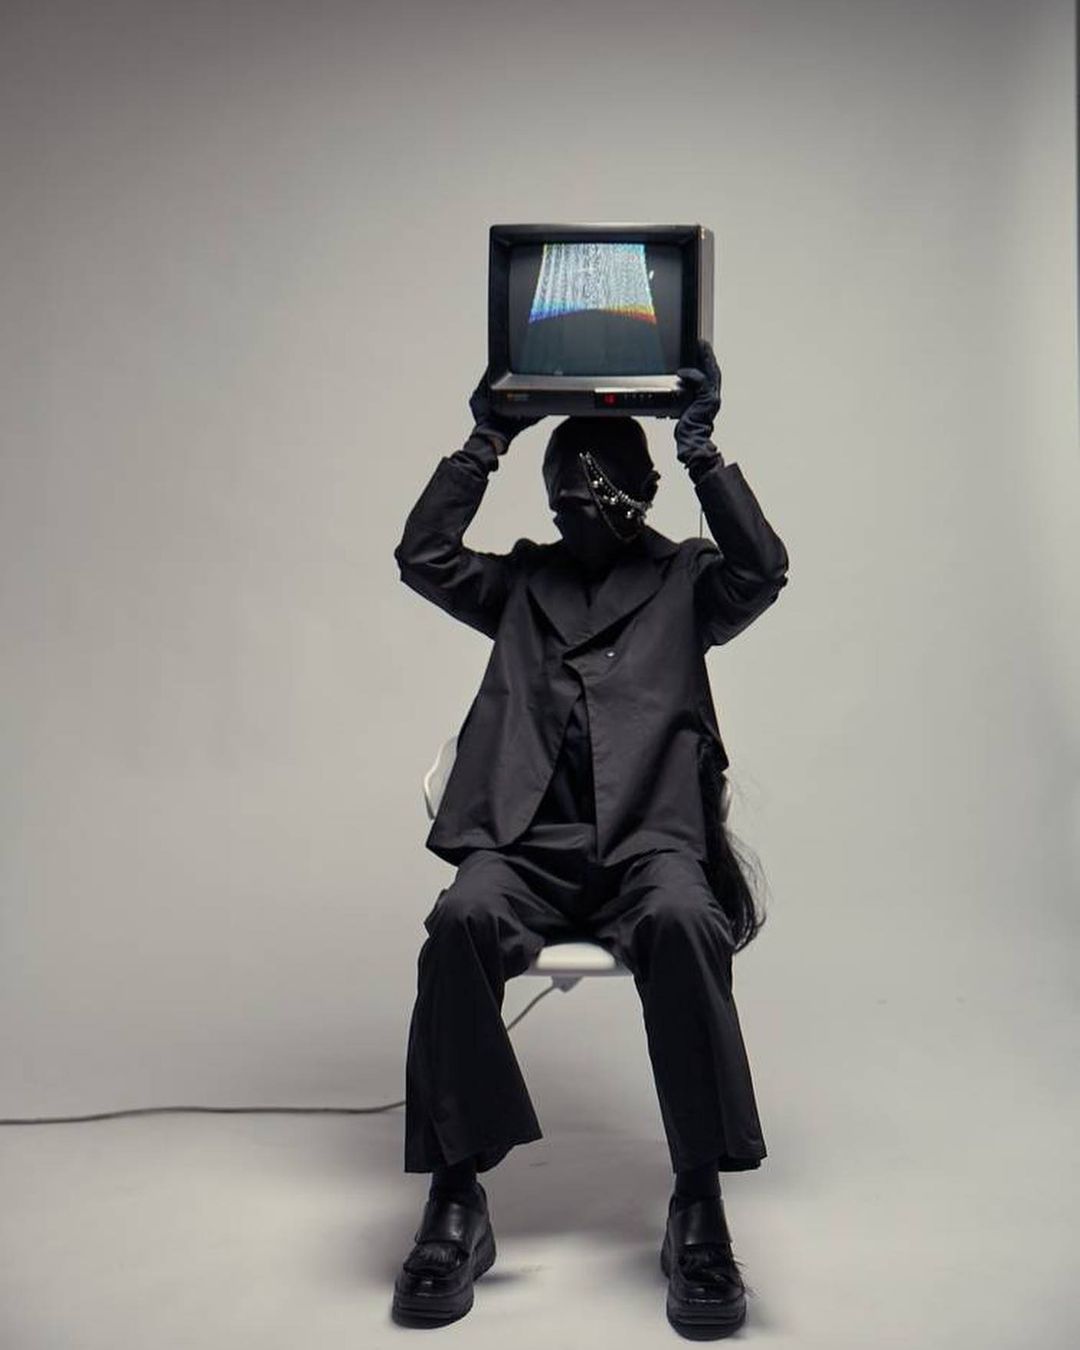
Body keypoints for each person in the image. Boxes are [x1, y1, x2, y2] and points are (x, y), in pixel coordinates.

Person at [390, 340, 789, 1332]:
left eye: (601, 486)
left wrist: (702, 450)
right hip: (527, 849)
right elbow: (423, 557)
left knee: (687, 923)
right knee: (459, 922)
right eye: (565, 489)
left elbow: (764, 569)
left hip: (649, 847)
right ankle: (456, 1194)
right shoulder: (523, 582)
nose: (581, 503)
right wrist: (485, 441)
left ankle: (697, 1199)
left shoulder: (688, 581)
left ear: (641, 494)